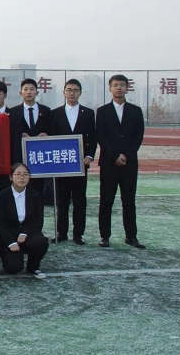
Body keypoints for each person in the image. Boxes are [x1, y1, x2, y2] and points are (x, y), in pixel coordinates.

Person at [96, 74, 145, 249]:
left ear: (127, 88)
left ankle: (131, 237)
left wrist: (126, 155)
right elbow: (100, 136)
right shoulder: (102, 111)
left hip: (129, 163)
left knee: (129, 201)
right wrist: (114, 156)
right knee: (106, 201)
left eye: (122, 85)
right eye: (115, 85)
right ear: (110, 88)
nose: (118, 88)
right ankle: (104, 236)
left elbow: (138, 137)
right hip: (109, 164)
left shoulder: (136, 111)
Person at [49, 79, 96, 245]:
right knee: (62, 201)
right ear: (64, 92)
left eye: (75, 90)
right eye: (69, 90)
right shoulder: (55, 113)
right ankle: (61, 233)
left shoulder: (88, 113)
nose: (72, 93)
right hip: (61, 165)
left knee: (79, 201)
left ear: (80, 93)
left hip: (80, 165)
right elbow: (51, 138)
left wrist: (89, 156)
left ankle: (78, 234)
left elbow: (93, 138)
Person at [0, 163, 49, 279]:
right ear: (11, 177)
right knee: (13, 268)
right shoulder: (1, 196)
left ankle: (33, 267)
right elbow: (0, 223)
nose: (22, 177)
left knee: (41, 242)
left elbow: (38, 220)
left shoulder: (35, 195)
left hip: (27, 234)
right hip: (9, 236)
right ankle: (14, 255)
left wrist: (25, 232)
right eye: (18, 174)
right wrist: (11, 242)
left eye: (25, 174)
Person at [9, 78, 52, 198]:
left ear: (37, 92)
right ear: (20, 93)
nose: (29, 92)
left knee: (38, 192)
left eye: (32, 89)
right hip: (20, 158)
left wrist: (45, 136)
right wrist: (22, 137)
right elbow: (11, 135)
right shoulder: (13, 112)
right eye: (26, 89)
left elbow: (51, 131)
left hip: (40, 158)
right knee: (20, 190)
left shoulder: (46, 111)